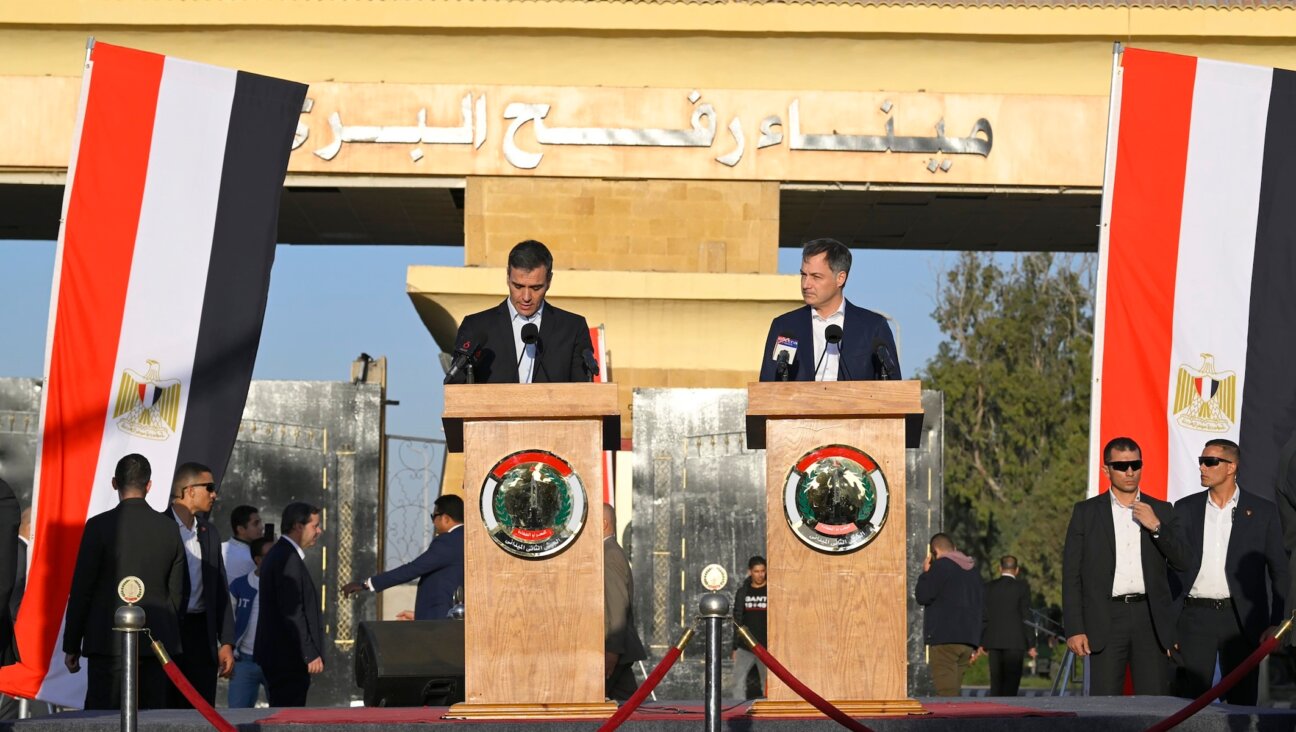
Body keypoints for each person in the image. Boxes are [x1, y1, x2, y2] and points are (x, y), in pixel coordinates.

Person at [1062, 436, 1187, 695]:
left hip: (1149, 619)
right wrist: (1075, 628)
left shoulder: (1161, 510)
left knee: (1153, 704)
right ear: (1106, 469)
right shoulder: (1086, 513)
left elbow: (1182, 561)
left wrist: (1156, 527)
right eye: (1121, 466)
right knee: (1105, 705)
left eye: (1135, 464)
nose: (1130, 472)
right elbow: (1071, 574)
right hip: (1105, 617)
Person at [63, 454, 185, 710]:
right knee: (152, 721)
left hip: (107, 644)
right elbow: (177, 592)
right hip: (155, 645)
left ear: (114, 483)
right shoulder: (169, 529)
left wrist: (72, 644)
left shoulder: (98, 527)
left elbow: (82, 589)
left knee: (103, 720)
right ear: (149, 485)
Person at [1170, 439, 1287, 705]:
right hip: (1194, 618)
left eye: (1210, 462)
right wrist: (1170, 625)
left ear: (1231, 467)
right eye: (1201, 461)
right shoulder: (1186, 508)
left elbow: (1280, 571)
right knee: (1189, 704)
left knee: (1241, 704)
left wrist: (1277, 624)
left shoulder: (1263, 512)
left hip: (1242, 622)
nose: (1203, 467)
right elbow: (1172, 570)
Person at [446, 239, 596, 384]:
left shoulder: (573, 328)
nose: (526, 297)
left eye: (535, 288)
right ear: (507, 277)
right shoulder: (477, 327)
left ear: (549, 281)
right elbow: (457, 389)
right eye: (518, 286)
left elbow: (583, 392)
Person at [758, 238, 900, 382]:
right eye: (803, 275)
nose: (806, 284)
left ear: (840, 278)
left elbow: (893, 387)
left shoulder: (873, 327)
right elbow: (768, 385)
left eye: (816, 277)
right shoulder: (785, 326)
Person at [163, 462, 235, 707]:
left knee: (202, 708)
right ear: (190, 490)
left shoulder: (208, 532)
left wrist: (226, 642)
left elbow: (219, 589)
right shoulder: (159, 527)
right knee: (165, 710)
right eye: (209, 487)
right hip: (168, 636)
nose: (214, 494)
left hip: (201, 636)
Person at [342, 495, 464, 619]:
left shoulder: (448, 541)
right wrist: (419, 616)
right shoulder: (466, 539)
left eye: (433, 517)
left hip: (443, 623)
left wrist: (367, 584)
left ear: (446, 519)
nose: (433, 522)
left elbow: (413, 569)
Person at [254, 502, 325, 707]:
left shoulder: (282, 554)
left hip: (283, 655)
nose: (319, 531)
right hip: (287, 657)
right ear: (298, 526)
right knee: (288, 715)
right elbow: (292, 611)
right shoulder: (287, 558)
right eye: (315, 526)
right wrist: (309, 653)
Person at [915, 533, 983, 697]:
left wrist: (925, 574)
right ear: (955, 548)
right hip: (968, 639)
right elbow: (982, 604)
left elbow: (923, 596)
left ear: (934, 552)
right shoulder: (973, 571)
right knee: (955, 691)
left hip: (944, 639)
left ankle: (950, 724)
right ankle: (959, 722)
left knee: (946, 694)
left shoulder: (940, 566)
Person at [603, 503, 646, 701]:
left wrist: (612, 650)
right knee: (629, 706)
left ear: (603, 524)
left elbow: (617, 604)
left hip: (613, 649)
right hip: (617, 649)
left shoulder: (609, 554)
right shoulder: (608, 551)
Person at [978, 555, 1036, 697]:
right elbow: (1026, 616)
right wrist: (1031, 644)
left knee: (996, 681)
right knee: (1011, 682)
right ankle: (1010, 712)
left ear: (1000, 568)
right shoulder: (1022, 588)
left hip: (993, 640)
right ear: (1016, 570)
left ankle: (995, 712)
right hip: (1015, 642)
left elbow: (983, 616)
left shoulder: (988, 588)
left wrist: (981, 641)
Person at [228, 537, 273, 708]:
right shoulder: (239, 585)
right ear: (258, 560)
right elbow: (227, 621)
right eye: (270, 555)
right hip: (244, 662)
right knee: (236, 716)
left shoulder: (285, 585)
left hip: (275, 663)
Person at [731, 555, 768, 700]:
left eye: (762, 571)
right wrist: (735, 647)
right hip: (745, 647)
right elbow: (737, 619)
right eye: (756, 571)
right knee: (738, 683)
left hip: (766, 647)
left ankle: (769, 717)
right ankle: (737, 714)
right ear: (750, 572)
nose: (760, 575)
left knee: (768, 683)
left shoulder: (771, 590)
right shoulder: (743, 592)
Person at [222, 504, 264, 583]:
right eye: (256, 524)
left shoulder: (220, 547)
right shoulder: (252, 559)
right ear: (241, 529)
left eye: (260, 522)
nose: (261, 527)